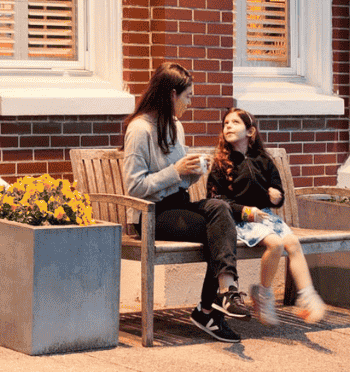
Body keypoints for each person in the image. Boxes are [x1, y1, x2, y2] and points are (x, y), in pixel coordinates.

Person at [122, 62, 244, 343]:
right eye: (188, 96)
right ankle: (210, 308)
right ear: (172, 94)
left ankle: (224, 293)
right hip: (152, 214)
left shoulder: (175, 126)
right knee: (221, 229)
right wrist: (176, 171)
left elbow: (180, 181)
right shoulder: (139, 130)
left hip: (178, 206)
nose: (190, 103)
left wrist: (192, 173)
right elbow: (134, 186)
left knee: (220, 208)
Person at [207, 107, 327, 326]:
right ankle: (263, 296)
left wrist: (275, 197)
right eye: (226, 123)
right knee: (275, 245)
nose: (229, 126)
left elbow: (278, 192)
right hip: (242, 219)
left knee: (292, 242)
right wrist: (245, 211)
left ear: (250, 131)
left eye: (235, 122)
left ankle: (308, 297)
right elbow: (217, 200)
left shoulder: (264, 160)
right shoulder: (222, 164)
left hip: (266, 216)